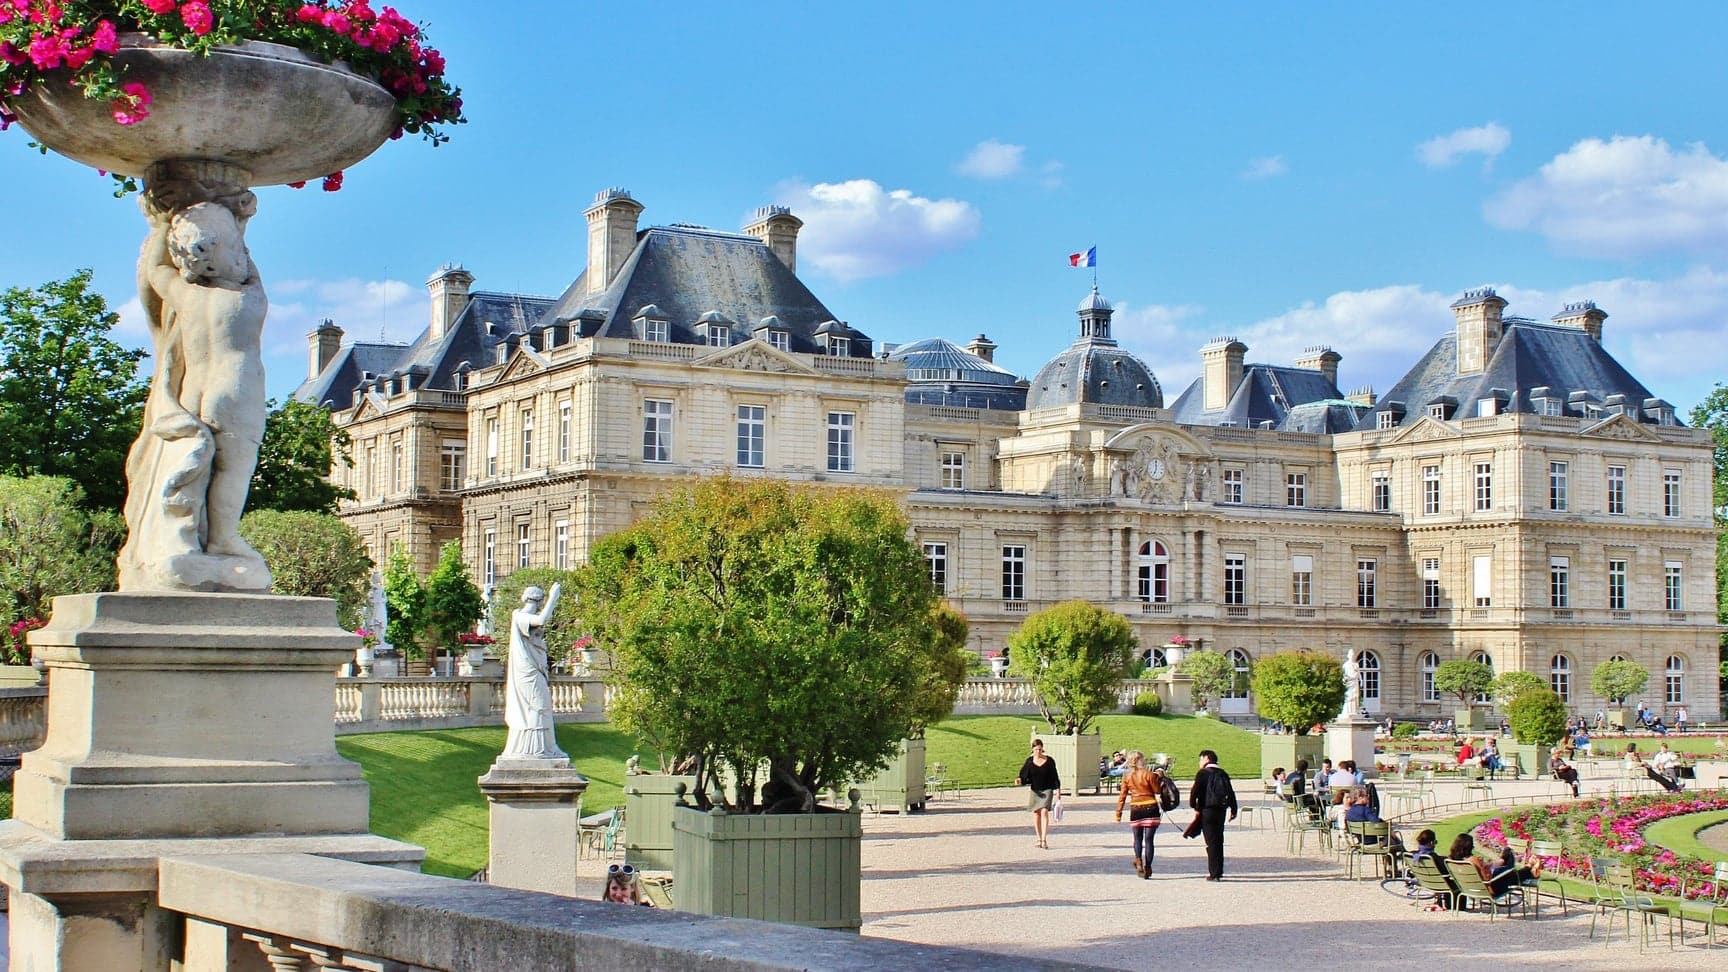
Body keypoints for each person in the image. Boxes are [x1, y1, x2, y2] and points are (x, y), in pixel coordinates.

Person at [502, 583, 566, 760]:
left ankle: (548, 746)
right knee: (537, 706)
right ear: (538, 601)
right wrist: (553, 597)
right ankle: (535, 749)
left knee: (542, 706)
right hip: (528, 672)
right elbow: (541, 620)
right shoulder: (520, 616)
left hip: (534, 669)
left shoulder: (524, 617)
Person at [1187, 749, 1238, 881]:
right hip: (1221, 810)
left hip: (1207, 810)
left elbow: (1195, 791)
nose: (1199, 762)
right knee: (1219, 839)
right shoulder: (1222, 773)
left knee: (1211, 841)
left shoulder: (1202, 773)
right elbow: (1230, 792)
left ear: (1207, 759)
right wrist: (1234, 809)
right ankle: (1219, 870)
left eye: (1201, 759)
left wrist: (1194, 805)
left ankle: (1214, 873)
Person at [1113, 751, 1163, 878]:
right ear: (1139, 760)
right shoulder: (1149, 774)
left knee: (1137, 838)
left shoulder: (1127, 776)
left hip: (1136, 808)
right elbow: (1157, 790)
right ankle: (1148, 867)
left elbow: (1122, 796)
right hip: (1151, 807)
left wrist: (1118, 813)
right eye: (1143, 758)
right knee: (1149, 840)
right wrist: (1159, 778)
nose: (1145, 760)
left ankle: (1138, 860)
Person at [1450, 833, 1543, 899]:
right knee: (1509, 870)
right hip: (1490, 890)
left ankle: (1530, 869)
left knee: (1508, 873)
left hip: (1469, 890)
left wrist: (1485, 866)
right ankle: (1529, 868)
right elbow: (1487, 879)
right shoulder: (1473, 860)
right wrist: (1487, 870)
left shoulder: (1452, 860)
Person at [1016, 739, 1062, 850]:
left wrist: (1058, 791)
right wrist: (1020, 780)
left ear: (1043, 749)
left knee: (1044, 811)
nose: (1038, 752)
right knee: (1036, 813)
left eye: (1040, 749)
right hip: (1035, 790)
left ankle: (1044, 839)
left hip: (1047, 789)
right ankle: (1038, 838)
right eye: (1036, 749)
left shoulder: (1049, 761)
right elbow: (1024, 775)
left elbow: (1055, 776)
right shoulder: (1030, 761)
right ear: (1032, 749)